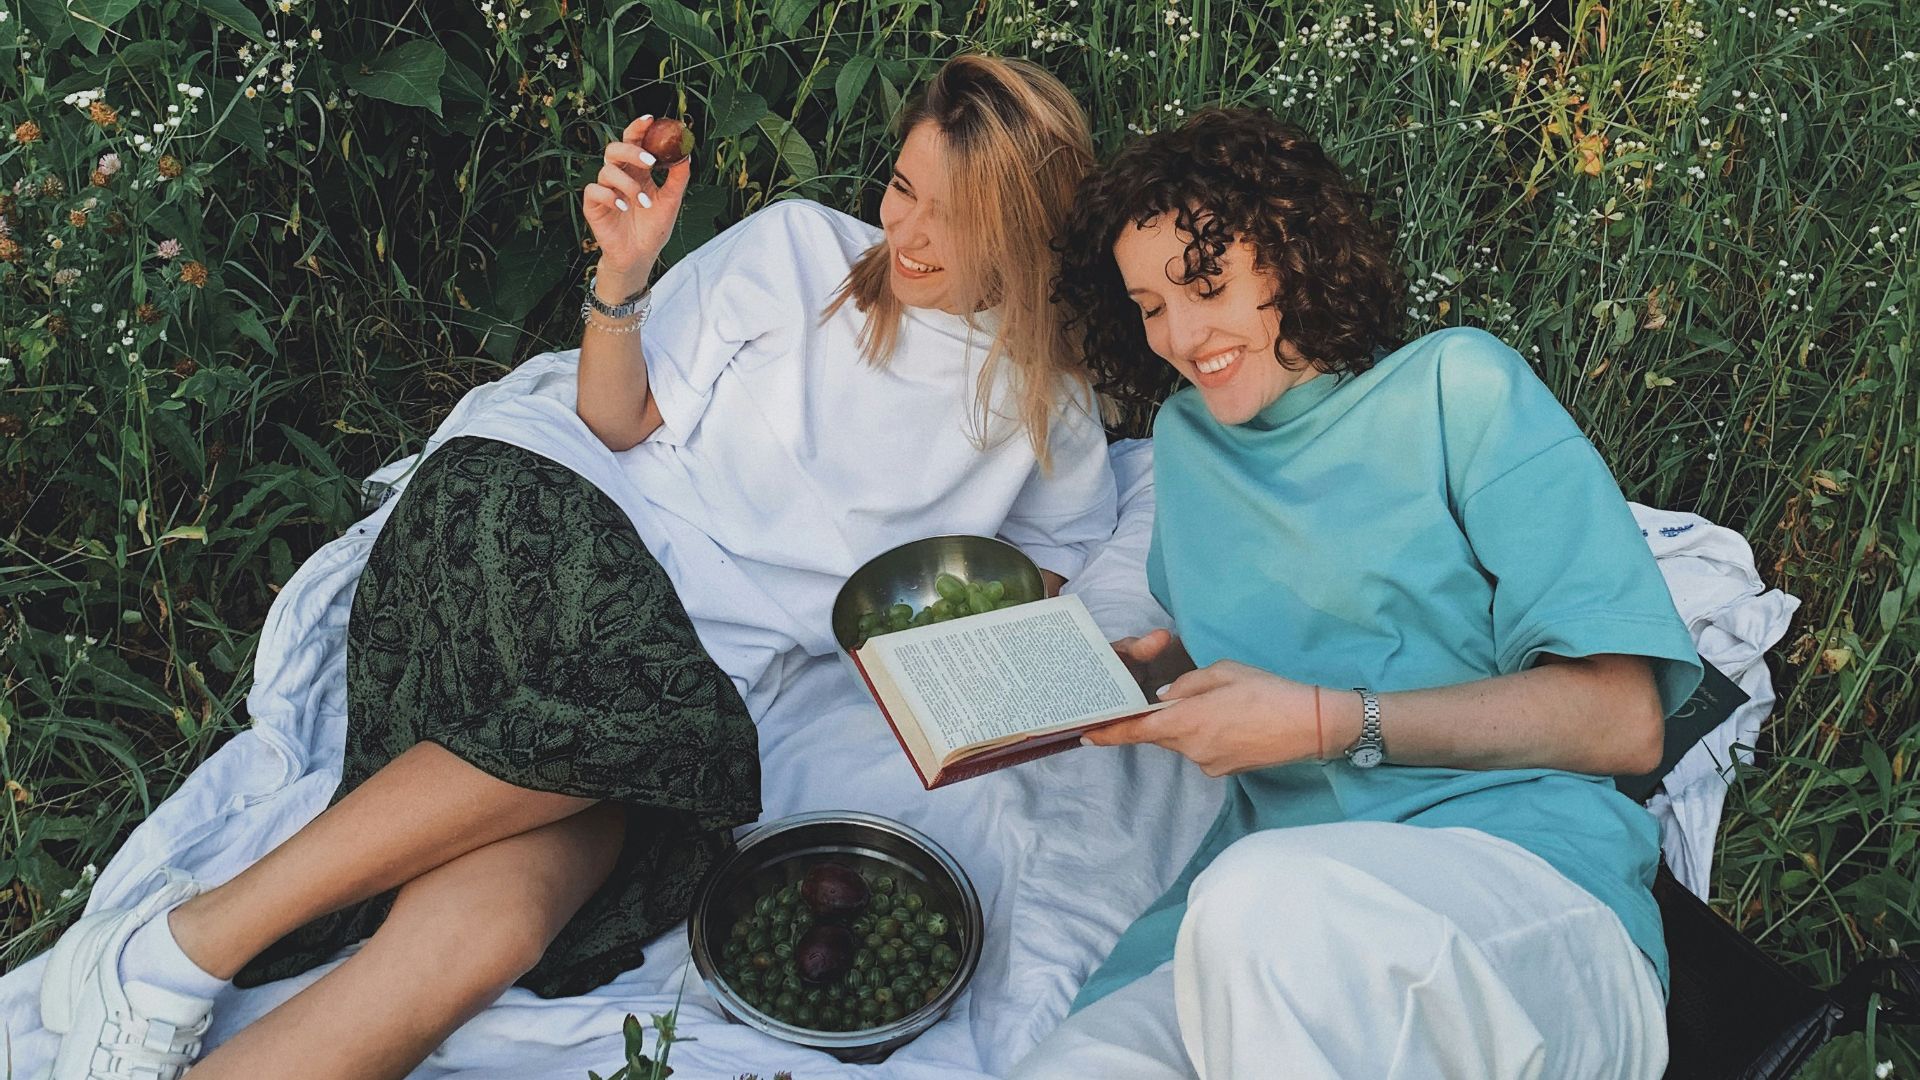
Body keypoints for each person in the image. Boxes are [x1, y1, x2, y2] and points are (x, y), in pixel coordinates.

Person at [36, 54, 1115, 1080]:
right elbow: (615, 416)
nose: (909, 235)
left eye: (956, 218)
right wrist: (625, 268)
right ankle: (174, 952)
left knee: (501, 927)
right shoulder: (800, 256)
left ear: (1028, 234)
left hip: (672, 692)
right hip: (555, 517)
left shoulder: (1044, 411)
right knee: (645, 719)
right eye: (902, 188)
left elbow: (1057, 576)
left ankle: (169, 1019)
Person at [1014, 107, 1702, 1079]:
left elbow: (1624, 721)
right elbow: (1233, 645)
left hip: (1512, 886)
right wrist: (1131, 673)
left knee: (1268, 904)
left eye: (1206, 285)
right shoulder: (1189, 448)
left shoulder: (1455, 389)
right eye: (1149, 305)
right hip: (1256, 922)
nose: (1180, 334)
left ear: (1292, 250)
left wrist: (1332, 723)